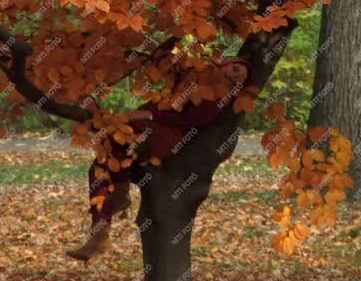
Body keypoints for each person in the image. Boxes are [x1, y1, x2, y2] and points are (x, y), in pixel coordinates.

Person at [66, 57, 250, 262]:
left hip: (164, 134)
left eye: (239, 78)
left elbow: (193, 119)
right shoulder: (194, 76)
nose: (234, 76)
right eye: (235, 68)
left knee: (118, 144)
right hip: (145, 124)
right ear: (223, 63)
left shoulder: (220, 95)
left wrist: (146, 116)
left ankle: (119, 191)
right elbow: (167, 71)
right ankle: (99, 232)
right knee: (99, 167)